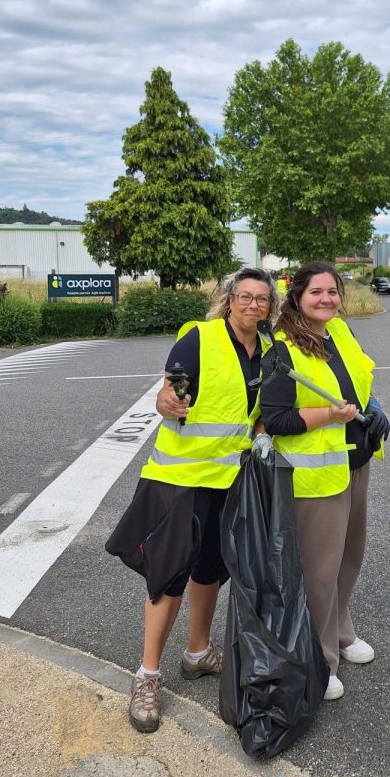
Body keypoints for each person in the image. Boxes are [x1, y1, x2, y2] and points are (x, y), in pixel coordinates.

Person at [108, 267, 278, 734]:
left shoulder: (265, 353)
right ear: (229, 299)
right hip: (180, 480)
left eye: (262, 300)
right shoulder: (198, 338)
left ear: (270, 309)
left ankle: (197, 653)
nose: (253, 306)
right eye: (245, 296)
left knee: (212, 570)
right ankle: (146, 676)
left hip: (229, 482)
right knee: (169, 577)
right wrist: (166, 401)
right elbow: (168, 390)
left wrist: (261, 434)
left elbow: (256, 411)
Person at [259, 261, 390, 701]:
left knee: (351, 556)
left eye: (332, 291)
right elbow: (275, 419)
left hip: (357, 460)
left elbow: (358, 381)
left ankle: (341, 631)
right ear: (296, 296)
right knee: (320, 570)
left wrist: (375, 404)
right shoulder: (282, 348)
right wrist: (328, 417)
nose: (326, 299)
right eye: (316, 292)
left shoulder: (340, 333)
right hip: (316, 476)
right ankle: (320, 658)